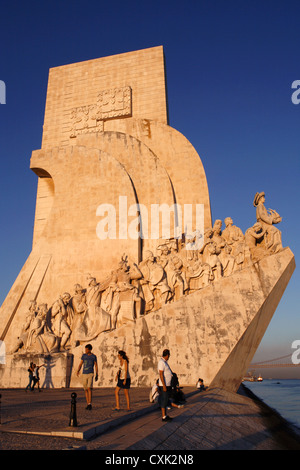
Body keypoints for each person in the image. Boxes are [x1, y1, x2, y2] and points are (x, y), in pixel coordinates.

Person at [76, 344, 98, 410]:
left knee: (89, 388)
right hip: (84, 373)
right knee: (85, 389)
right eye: (85, 349)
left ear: (89, 349)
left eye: (86, 349)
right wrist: (78, 370)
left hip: (90, 373)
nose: (85, 350)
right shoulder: (84, 356)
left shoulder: (93, 356)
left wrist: (97, 374)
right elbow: (81, 363)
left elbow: (96, 365)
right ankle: (87, 403)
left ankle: (90, 403)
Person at [158, 349, 173, 422]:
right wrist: (164, 385)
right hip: (164, 385)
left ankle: (165, 415)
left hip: (167, 384)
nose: (169, 357)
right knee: (164, 400)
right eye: (168, 355)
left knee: (166, 399)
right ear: (167, 355)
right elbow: (161, 374)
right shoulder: (161, 362)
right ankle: (163, 416)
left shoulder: (164, 362)